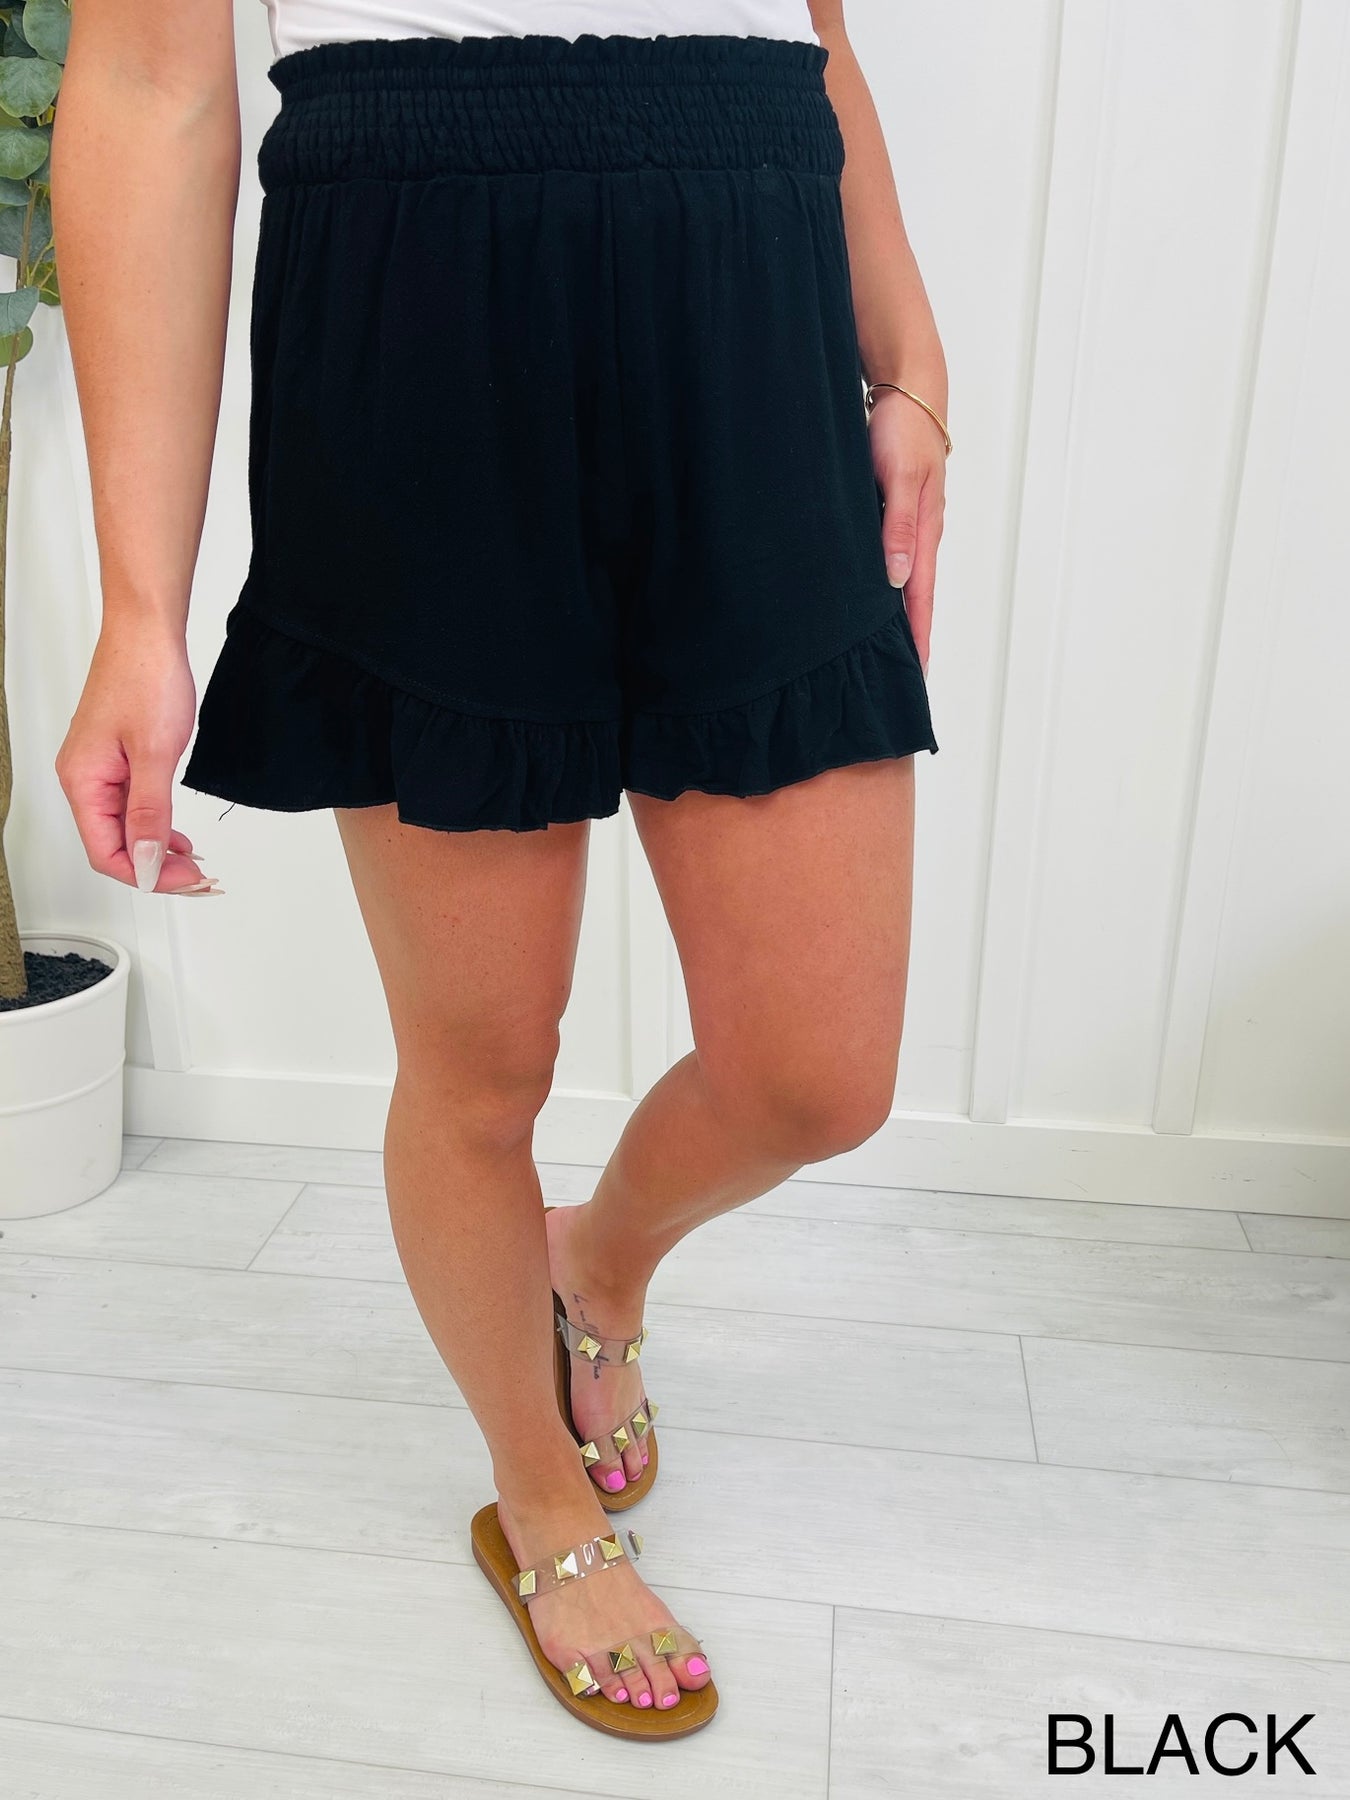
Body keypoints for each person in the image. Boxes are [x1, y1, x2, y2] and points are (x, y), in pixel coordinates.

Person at [52, 0, 946, 1741]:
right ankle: (538, 1499)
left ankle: (593, 1261)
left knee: (816, 1076)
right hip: (417, 290)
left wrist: (906, 359)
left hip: (754, 287)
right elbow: (151, 85)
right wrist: (140, 612)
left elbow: (820, 26)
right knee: (480, 1061)